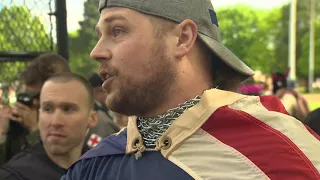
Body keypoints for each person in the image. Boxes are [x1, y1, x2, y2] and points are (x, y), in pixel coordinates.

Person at [62, 0, 320, 179]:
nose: (96, 52)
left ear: (183, 38)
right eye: (100, 35)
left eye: (117, 31)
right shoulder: (93, 166)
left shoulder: (280, 154)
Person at [0, 73, 98, 180]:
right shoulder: (15, 176)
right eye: (48, 109)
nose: (55, 122)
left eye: (68, 109)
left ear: (92, 118)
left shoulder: (104, 168)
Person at [0, 52, 70, 164]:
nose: (34, 102)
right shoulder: (21, 123)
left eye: (39, 96)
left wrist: (35, 130)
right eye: (28, 95)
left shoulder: (75, 119)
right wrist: (3, 134)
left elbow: (56, 169)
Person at [85, 73, 119, 149]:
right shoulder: (99, 118)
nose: (107, 95)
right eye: (104, 91)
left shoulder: (104, 112)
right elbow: (94, 149)